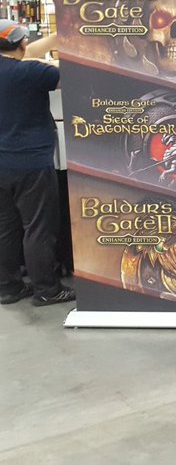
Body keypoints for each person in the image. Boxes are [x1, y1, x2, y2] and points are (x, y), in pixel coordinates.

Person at [0, 23, 74, 306]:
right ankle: (47, 289)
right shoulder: (32, 72)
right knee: (39, 227)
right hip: (31, 162)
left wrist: (57, 37)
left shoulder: (23, 68)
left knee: (6, 227)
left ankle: (9, 287)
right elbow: (75, 75)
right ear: (21, 44)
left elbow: (23, 54)